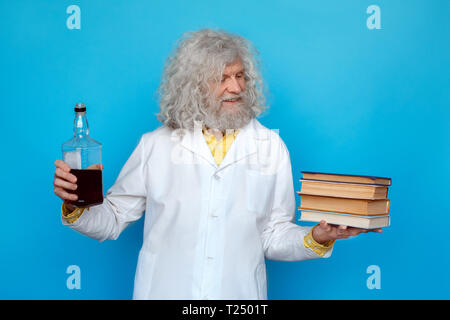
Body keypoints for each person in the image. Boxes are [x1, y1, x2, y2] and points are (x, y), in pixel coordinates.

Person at [53, 29, 381, 300]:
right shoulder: (155, 145)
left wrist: (318, 236)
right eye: (221, 78)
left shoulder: (271, 146)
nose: (236, 88)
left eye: (240, 76)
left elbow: (272, 236)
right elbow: (111, 220)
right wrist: (75, 205)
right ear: (193, 86)